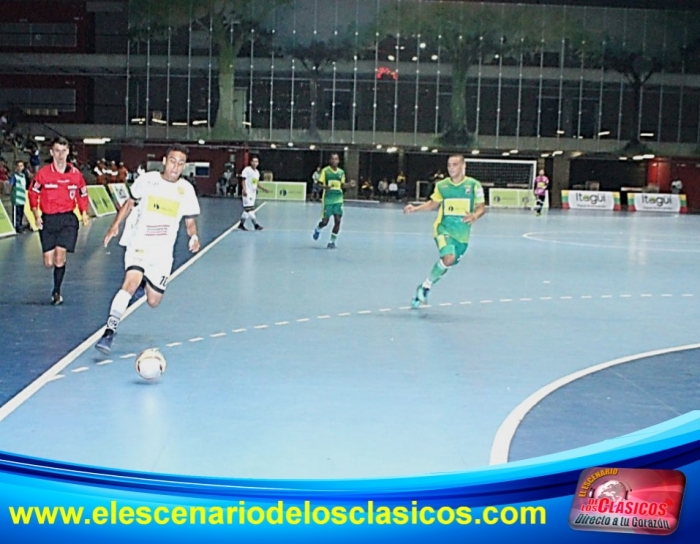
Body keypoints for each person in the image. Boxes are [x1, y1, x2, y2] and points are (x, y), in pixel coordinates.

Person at [95, 144, 200, 354]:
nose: (175, 167)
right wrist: (115, 225)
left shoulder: (186, 190)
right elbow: (129, 202)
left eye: (180, 163)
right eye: (172, 161)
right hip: (139, 244)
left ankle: (145, 283)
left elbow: (190, 222)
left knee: (153, 301)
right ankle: (110, 330)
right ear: (164, 161)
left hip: (162, 254)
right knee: (130, 284)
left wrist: (194, 237)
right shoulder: (148, 180)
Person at [403, 154, 485, 308]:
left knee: (449, 262)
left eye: (455, 165)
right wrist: (415, 208)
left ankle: (423, 288)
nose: (451, 168)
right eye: (449, 165)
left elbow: (481, 207)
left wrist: (475, 215)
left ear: (463, 166)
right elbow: (433, 204)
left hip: (462, 235)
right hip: (443, 228)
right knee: (448, 256)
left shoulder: (474, 185)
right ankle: (426, 287)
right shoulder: (442, 186)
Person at [28, 137, 90, 305]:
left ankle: (56, 291)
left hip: (68, 219)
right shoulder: (43, 174)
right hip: (48, 220)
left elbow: (82, 193)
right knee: (49, 262)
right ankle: (57, 263)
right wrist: (36, 214)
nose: (60, 155)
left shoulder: (76, 175)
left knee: (59, 258)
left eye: (63, 151)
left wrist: (84, 212)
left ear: (68, 152)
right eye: (57, 151)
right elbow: (33, 193)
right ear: (51, 152)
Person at [311, 153, 355, 249]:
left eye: (336, 159)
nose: (334, 161)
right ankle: (318, 229)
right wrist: (325, 187)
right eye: (333, 159)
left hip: (338, 199)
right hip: (328, 199)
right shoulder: (325, 171)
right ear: (330, 161)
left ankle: (332, 241)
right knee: (325, 222)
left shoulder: (341, 172)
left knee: (338, 220)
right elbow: (318, 184)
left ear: (338, 161)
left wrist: (350, 185)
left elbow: (342, 185)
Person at [238, 155, 269, 231]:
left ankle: (241, 224)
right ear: (251, 162)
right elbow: (243, 180)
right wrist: (244, 189)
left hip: (253, 193)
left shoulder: (257, 173)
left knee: (247, 210)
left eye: (256, 161)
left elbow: (255, 183)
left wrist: (263, 189)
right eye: (253, 161)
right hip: (247, 192)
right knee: (250, 209)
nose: (255, 163)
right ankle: (256, 225)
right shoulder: (247, 170)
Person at [9, 160, 28, 232]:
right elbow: (10, 185)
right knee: (16, 213)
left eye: (21, 166)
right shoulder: (14, 176)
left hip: (22, 198)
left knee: (21, 213)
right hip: (16, 198)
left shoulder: (23, 175)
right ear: (16, 167)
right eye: (18, 166)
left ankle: (20, 225)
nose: (20, 167)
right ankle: (16, 227)